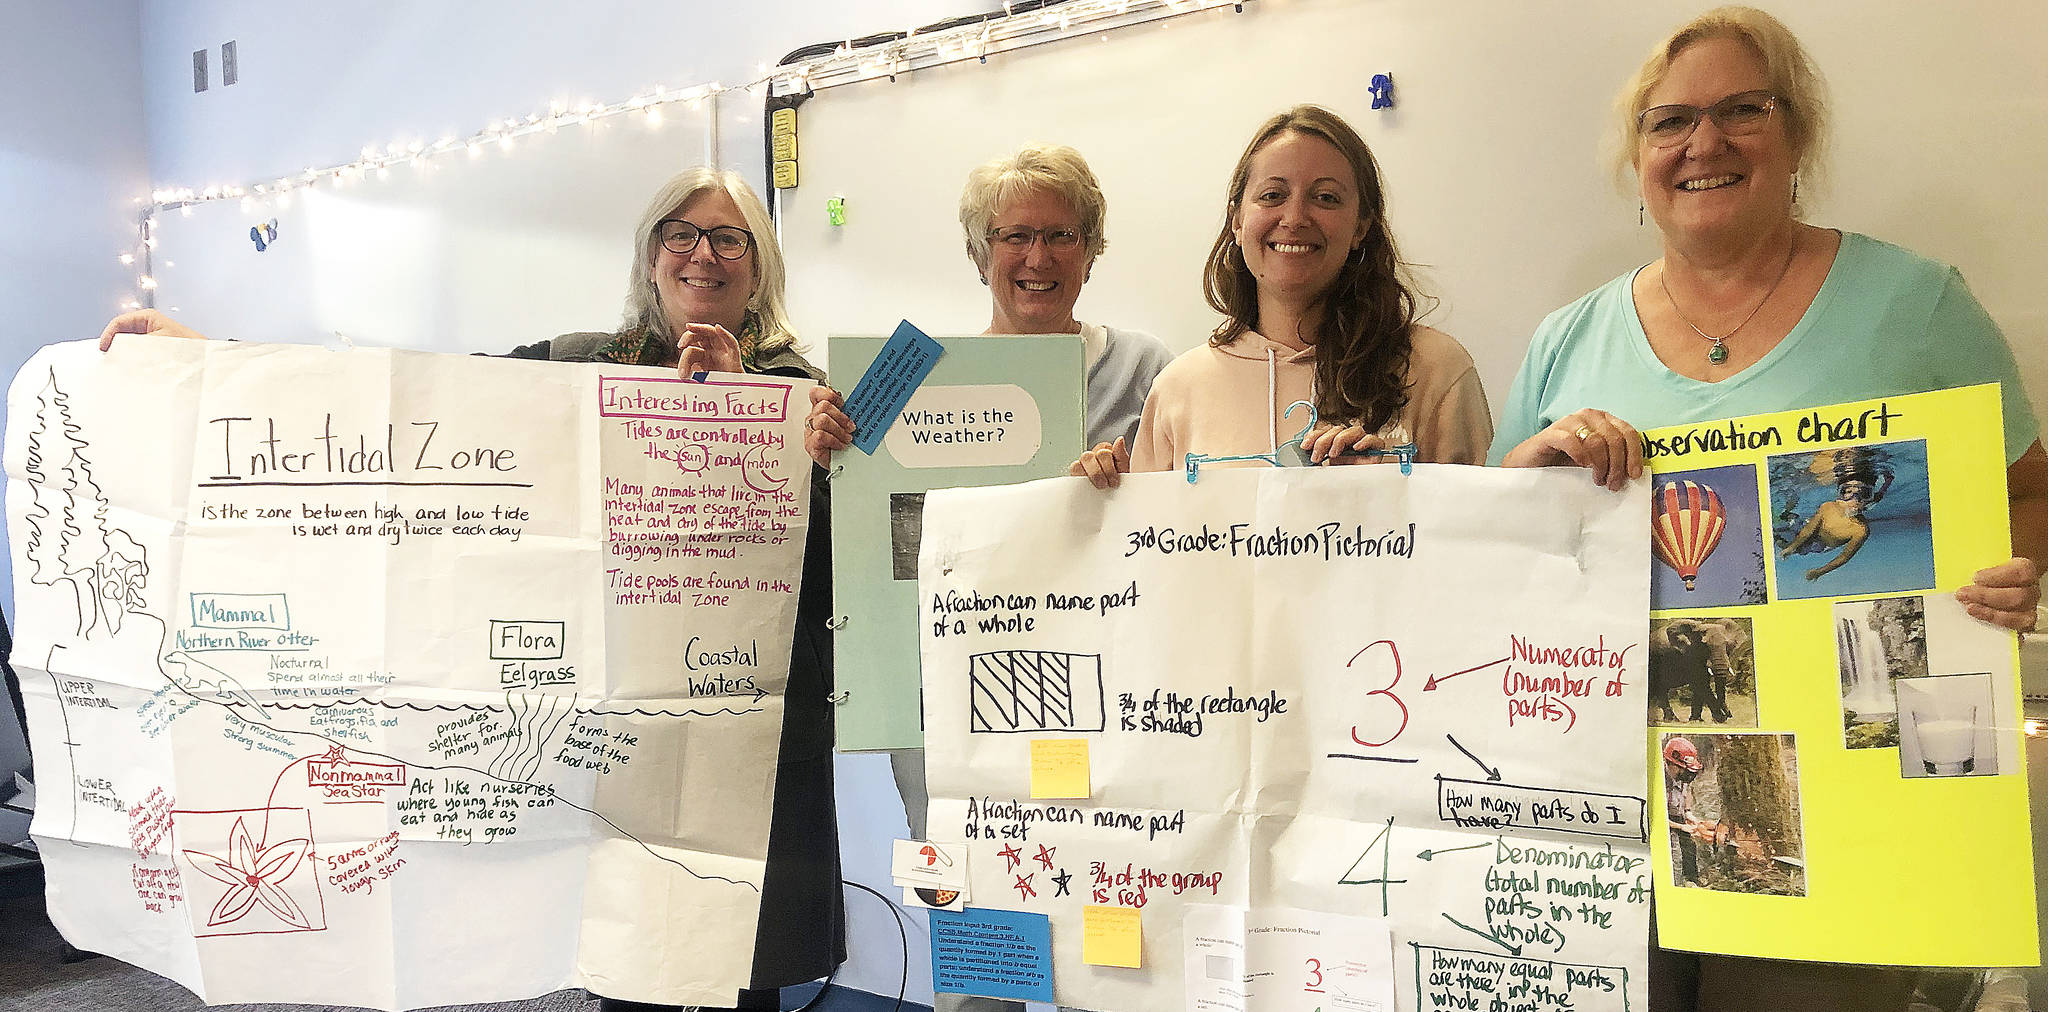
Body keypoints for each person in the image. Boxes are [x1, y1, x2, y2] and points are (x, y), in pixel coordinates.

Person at [100, 168, 843, 1012]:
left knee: (732, 959)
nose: (702, 255)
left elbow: (838, 559)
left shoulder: (806, 392)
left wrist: (756, 415)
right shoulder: (578, 366)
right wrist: (213, 359)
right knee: (624, 953)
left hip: (745, 729)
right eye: (681, 233)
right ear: (651, 254)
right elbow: (411, 397)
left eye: (728, 238)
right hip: (610, 721)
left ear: (759, 264)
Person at [1487, 8, 2046, 1008]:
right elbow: (1492, 564)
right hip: (1601, 812)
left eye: (1742, 109)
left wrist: (2004, 573)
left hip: (1843, 815)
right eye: (1669, 121)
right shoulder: (1565, 341)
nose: (1702, 142)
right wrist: (1527, 467)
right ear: (1638, 157)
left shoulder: (1911, 304)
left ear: (1796, 138)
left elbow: (2028, 489)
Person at [802, 143, 1171, 1012]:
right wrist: (823, 444)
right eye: (1013, 236)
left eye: (1061, 235)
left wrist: (1130, 484)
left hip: (1101, 684)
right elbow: (859, 506)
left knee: (1102, 889)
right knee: (975, 895)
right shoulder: (907, 370)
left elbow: (1181, 519)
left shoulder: (1150, 369)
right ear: (979, 252)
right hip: (941, 693)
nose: (1037, 259)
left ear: (1092, 247)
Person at [1070, 104, 1492, 488]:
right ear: (1237, 220)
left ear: (1361, 225)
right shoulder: (1178, 390)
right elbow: (1153, 558)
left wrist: (1390, 494)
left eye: (1325, 197)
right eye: (1272, 196)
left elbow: (1482, 547)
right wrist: (1109, 502)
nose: (1294, 218)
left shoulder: (1438, 373)